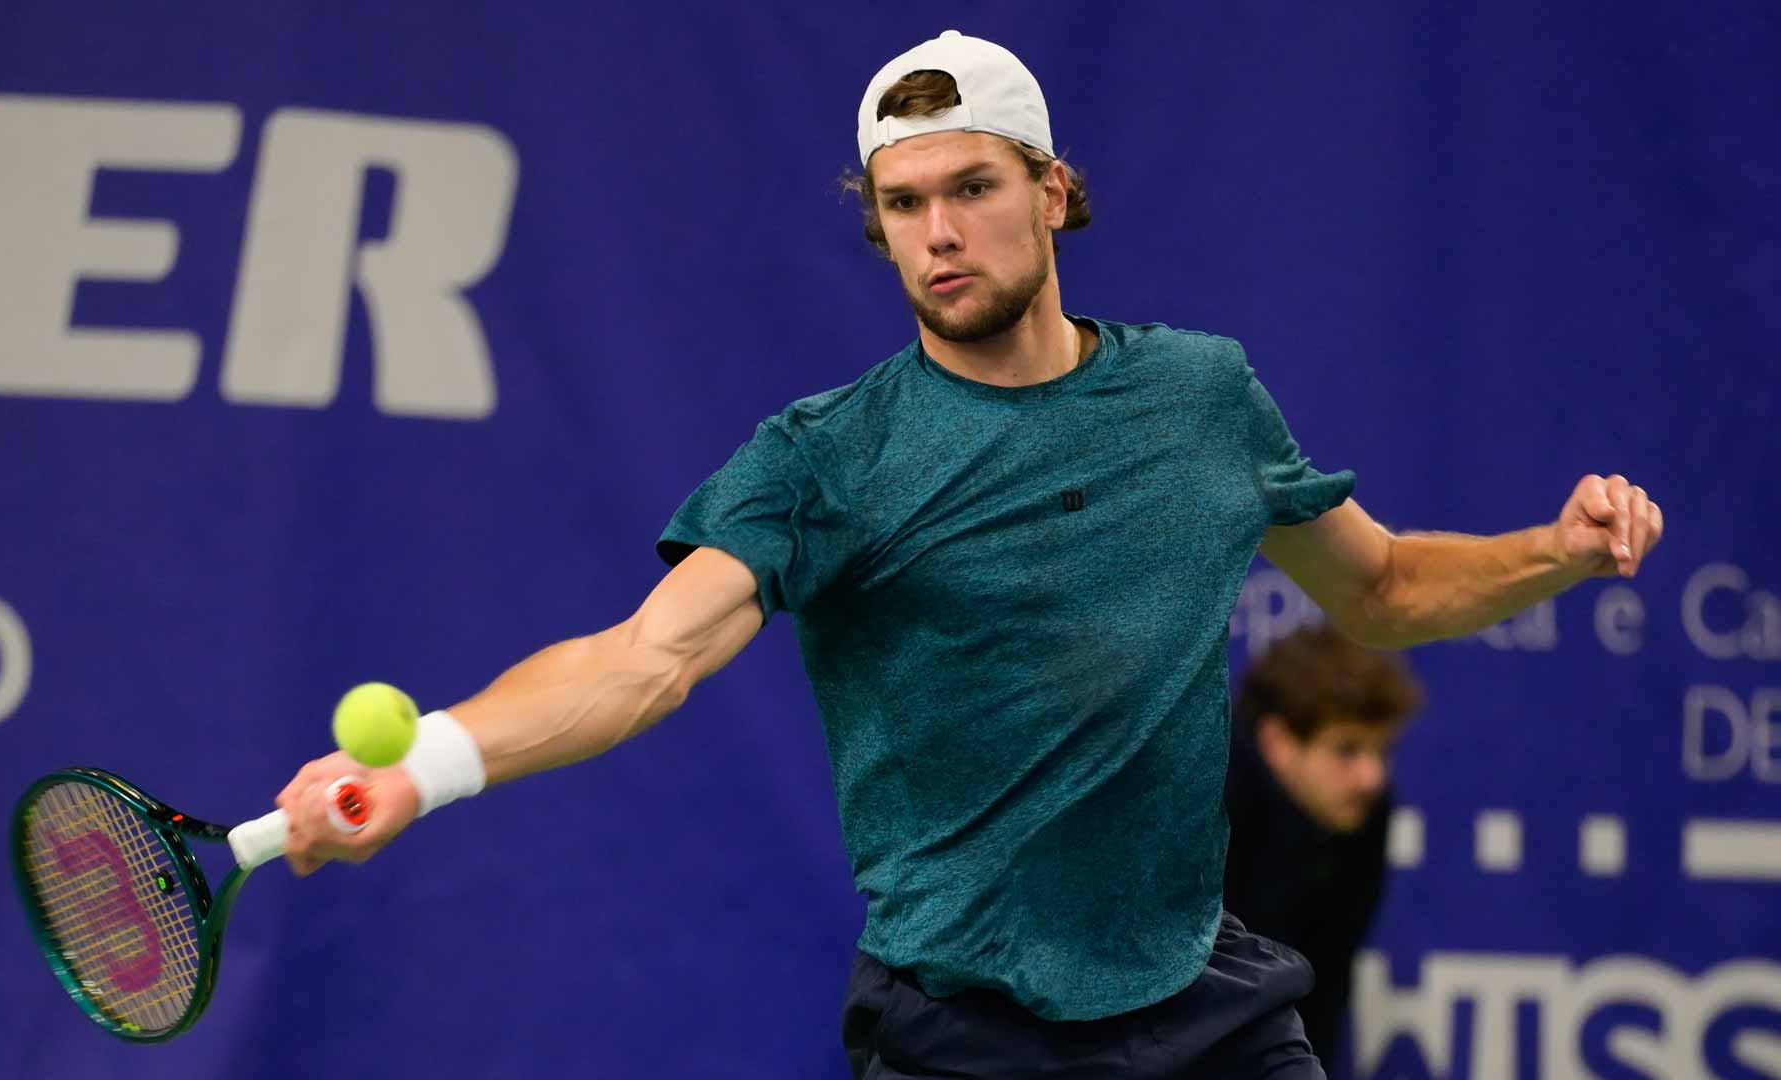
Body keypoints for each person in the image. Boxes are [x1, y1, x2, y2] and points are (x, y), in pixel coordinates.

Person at [271, 30, 1665, 1079]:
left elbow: (1386, 590)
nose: (938, 233)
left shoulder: (1202, 398)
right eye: (901, 203)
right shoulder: (826, 460)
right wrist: (431, 763)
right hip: (963, 1035)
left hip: (1203, 1005)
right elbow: (646, 661)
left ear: (1053, 191)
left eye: (973, 188)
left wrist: (1554, 548)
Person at [1224, 625, 1425, 1074]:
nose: (1371, 777)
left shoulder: (1365, 812)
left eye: (1381, 750)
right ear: (1277, 742)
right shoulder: (1200, 805)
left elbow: (1323, 986)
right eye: (1347, 750)